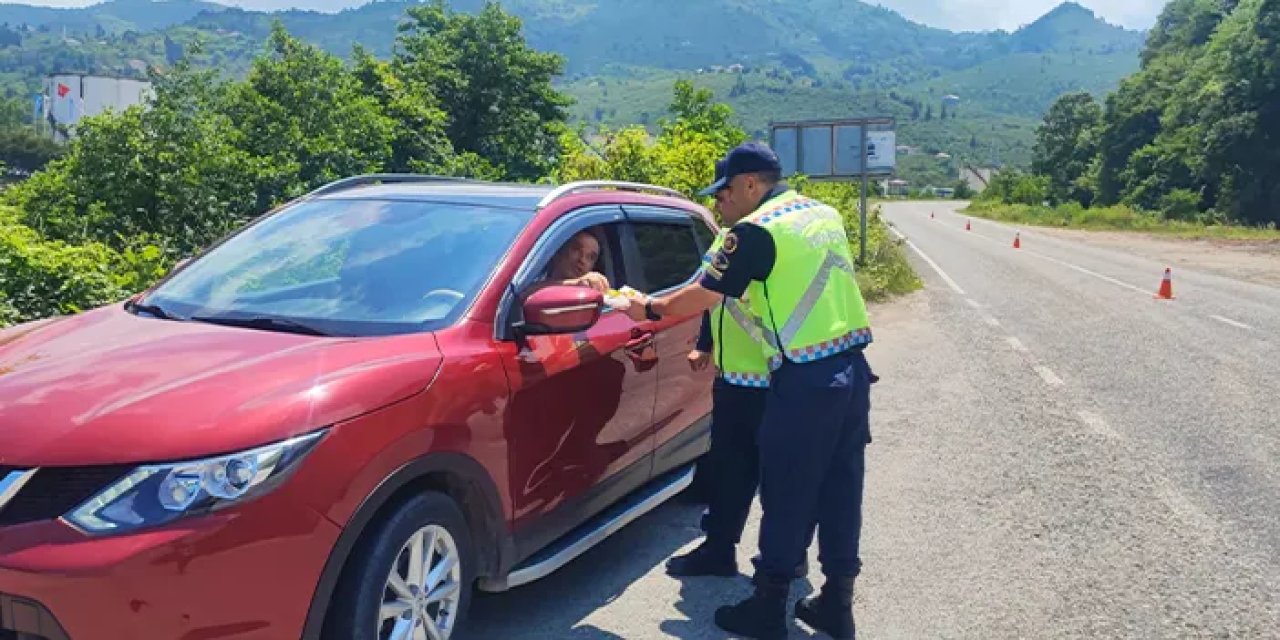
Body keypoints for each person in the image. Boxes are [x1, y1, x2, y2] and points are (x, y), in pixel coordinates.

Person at [624, 142, 875, 640]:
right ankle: (837, 604)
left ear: (750, 185)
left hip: (803, 379)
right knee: (841, 490)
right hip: (851, 369)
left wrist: (648, 308)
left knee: (786, 493)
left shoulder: (757, 230)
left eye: (725, 192)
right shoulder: (821, 213)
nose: (721, 202)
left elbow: (703, 295)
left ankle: (768, 608)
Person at [527, 228, 610, 294]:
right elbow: (523, 293)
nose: (582, 260)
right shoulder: (530, 276)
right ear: (559, 251)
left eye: (590, 257)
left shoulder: (592, 294)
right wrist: (575, 283)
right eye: (576, 250)